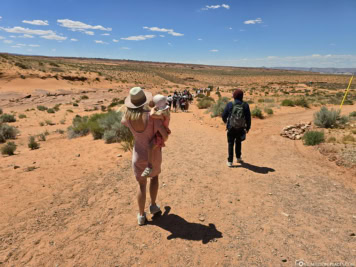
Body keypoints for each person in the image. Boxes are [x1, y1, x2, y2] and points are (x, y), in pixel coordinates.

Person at [121, 87, 169, 225]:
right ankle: (153, 206)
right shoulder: (152, 117)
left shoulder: (127, 119)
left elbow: (123, 120)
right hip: (153, 154)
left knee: (141, 184)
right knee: (154, 178)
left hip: (137, 154)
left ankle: (141, 216)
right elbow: (164, 137)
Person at [142, 94, 171, 177]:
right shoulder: (166, 111)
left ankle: (149, 166)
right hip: (161, 133)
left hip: (160, 134)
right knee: (153, 147)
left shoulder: (161, 114)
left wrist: (153, 108)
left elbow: (151, 115)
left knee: (150, 147)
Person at [222, 89, 251, 167]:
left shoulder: (230, 104)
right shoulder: (245, 105)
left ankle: (230, 161)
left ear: (234, 96)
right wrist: (248, 127)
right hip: (241, 127)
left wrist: (226, 122)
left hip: (231, 127)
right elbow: (248, 117)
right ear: (242, 96)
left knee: (230, 143)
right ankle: (238, 158)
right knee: (238, 142)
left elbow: (224, 115)